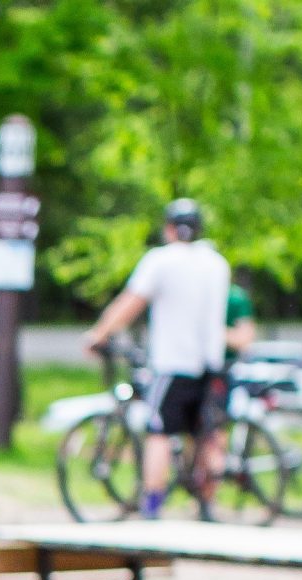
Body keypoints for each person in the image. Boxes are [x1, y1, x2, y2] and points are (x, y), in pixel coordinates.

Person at [82, 198, 232, 518]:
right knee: (204, 432)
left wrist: (100, 334)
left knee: (159, 432)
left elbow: (131, 302)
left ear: (168, 229)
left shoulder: (161, 261)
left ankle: (151, 503)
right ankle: (207, 502)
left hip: (173, 361)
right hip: (211, 361)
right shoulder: (217, 263)